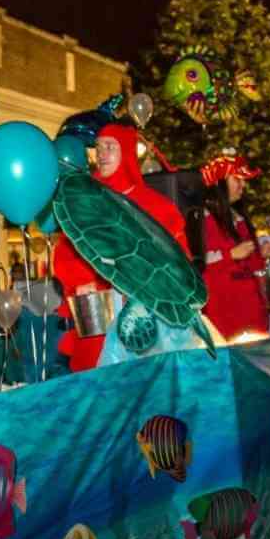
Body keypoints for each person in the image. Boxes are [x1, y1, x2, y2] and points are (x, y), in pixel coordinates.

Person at [52, 122, 189, 371]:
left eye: (109, 147)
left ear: (125, 151)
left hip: (147, 326)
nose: (101, 154)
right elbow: (64, 253)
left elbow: (180, 261)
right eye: (98, 148)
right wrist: (82, 280)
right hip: (99, 321)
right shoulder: (86, 200)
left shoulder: (157, 207)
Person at [195, 151, 270, 340]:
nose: (243, 185)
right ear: (219, 182)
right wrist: (229, 254)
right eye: (237, 179)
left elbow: (252, 267)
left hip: (252, 319)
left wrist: (262, 255)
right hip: (224, 319)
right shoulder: (201, 217)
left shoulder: (239, 219)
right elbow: (196, 262)